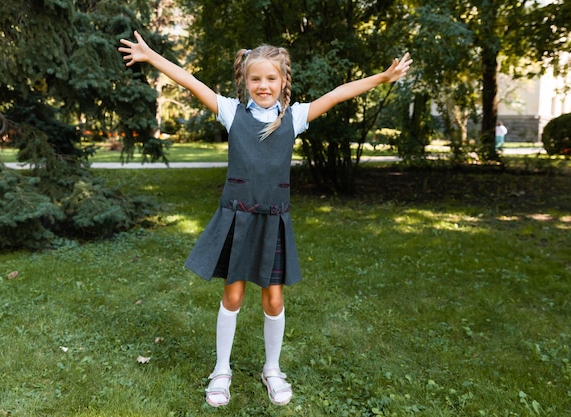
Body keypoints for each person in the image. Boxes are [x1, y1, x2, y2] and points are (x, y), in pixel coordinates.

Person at [119, 31, 412, 407]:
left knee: (273, 299)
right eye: (255, 79)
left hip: (273, 222)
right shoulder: (230, 112)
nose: (263, 85)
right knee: (234, 295)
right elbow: (188, 80)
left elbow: (340, 93)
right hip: (237, 221)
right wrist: (152, 56)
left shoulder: (296, 117)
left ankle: (272, 369)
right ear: (245, 81)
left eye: (271, 78)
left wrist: (382, 79)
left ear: (282, 81)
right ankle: (221, 371)